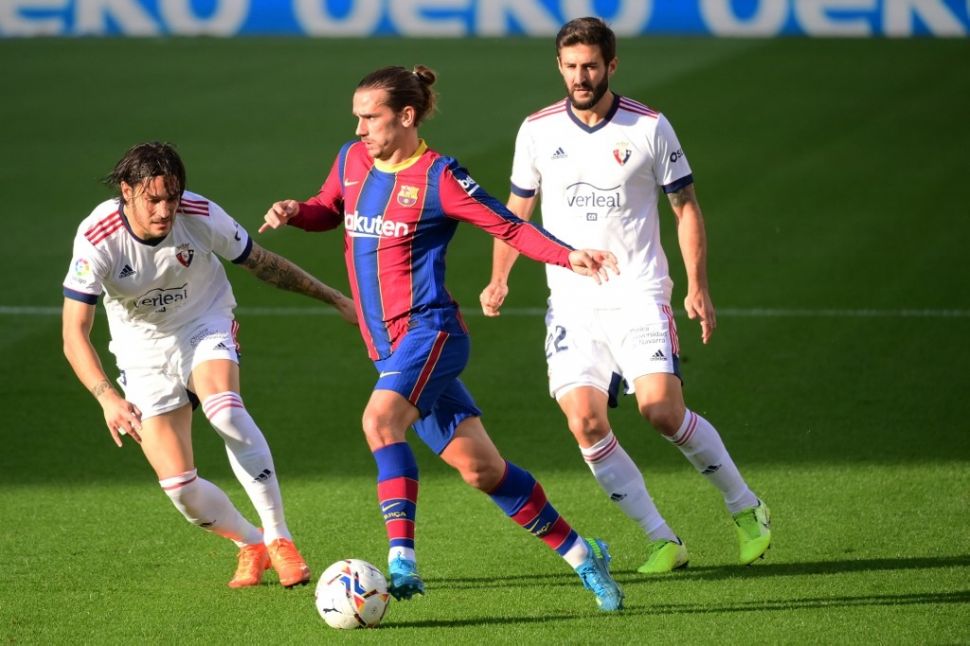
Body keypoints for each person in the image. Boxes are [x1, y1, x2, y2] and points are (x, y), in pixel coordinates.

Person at [259, 65, 624, 611]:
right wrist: (296, 212)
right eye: (356, 117)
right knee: (483, 470)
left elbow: (509, 225)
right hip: (389, 349)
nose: (359, 129)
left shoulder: (439, 178)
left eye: (369, 117)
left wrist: (568, 254)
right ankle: (582, 555)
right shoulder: (352, 159)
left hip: (431, 333)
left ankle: (401, 558)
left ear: (405, 117)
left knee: (380, 422)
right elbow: (329, 208)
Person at [479, 16, 772, 573]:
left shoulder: (649, 127)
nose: (580, 76)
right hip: (571, 299)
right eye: (570, 66)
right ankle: (663, 539)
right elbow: (516, 214)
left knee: (661, 411)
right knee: (585, 422)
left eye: (590, 65)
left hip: (638, 291)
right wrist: (500, 277)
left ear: (611, 65)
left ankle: (746, 506)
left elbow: (685, 208)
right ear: (559, 68)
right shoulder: (537, 130)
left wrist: (697, 287)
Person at [62, 142, 357, 589]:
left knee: (226, 410)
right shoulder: (98, 237)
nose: (165, 210)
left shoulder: (199, 215)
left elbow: (263, 264)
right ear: (127, 191)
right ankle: (251, 543)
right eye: (153, 199)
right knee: (181, 488)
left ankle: (280, 538)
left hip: (204, 322)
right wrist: (107, 398)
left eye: (172, 197)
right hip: (140, 350)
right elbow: (74, 331)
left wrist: (335, 298)